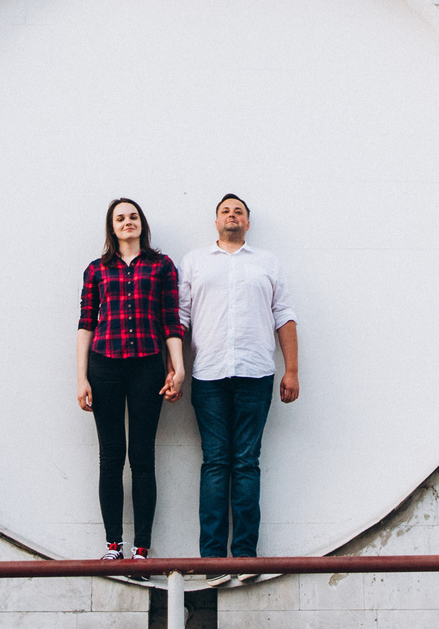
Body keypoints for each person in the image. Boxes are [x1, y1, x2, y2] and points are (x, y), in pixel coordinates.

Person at [178, 192, 297, 561]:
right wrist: (174, 368)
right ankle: (212, 557)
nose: (232, 216)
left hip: (255, 372)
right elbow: (180, 318)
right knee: (215, 462)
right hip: (209, 374)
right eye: (225, 211)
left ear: (247, 222)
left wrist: (291, 369)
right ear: (216, 222)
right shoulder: (195, 262)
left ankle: (245, 554)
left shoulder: (267, 262)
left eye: (239, 212)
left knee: (246, 462)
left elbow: (284, 314)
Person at [75, 196, 185, 563]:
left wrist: (177, 366)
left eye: (133, 216)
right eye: (120, 218)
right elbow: (86, 323)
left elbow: (171, 319)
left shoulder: (161, 266)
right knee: (110, 457)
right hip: (104, 366)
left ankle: (141, 548)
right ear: (112, 227)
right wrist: (81, 378)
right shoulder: (96, 270)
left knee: (142, 456)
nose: (127, 222)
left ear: (142, 223)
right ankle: (112, 546)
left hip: (147, 367)